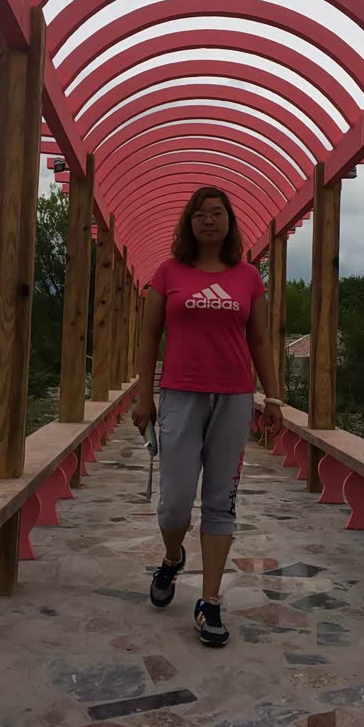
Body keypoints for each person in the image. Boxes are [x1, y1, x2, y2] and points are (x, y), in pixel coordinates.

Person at [132, 186, 284, 647]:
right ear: (189, 223)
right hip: (180, 394)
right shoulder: (168, 272)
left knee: (221, 501)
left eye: (217, 213)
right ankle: (172, 557)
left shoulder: (248, 277)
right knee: (174, 504)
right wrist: (143, 396)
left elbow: (260, 339)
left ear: (229, 222)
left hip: (234, 398)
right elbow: (149, 335)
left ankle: (211, 601)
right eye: (199, 214)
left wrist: (273, 397)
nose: (209, 220)